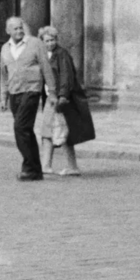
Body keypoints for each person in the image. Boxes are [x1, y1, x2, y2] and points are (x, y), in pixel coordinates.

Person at [0, 16, 56, 182]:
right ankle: (36, 170)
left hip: (31, 90)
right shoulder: (4, 48)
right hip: (14, 93)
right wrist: (3, 97)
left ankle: (29, 167)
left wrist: (52, 92)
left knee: (20, 127)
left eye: (20, 28)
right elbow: (3, 74)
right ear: (8, 31)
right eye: (15, 29)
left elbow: (46, 67)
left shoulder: (35, 44)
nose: (19, 31)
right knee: (27, 131)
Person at [37, 26, 96, 177]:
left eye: (52, 40)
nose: (50, 43)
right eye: (47, 41)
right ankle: (51, 166)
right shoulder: (43, 55)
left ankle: (66, 166)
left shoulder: (61, 54)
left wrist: (62, 96)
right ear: (41, 42)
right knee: (53, 132)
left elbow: (66, 76)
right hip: (50, 98)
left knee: (58, 132)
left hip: (58, 99)